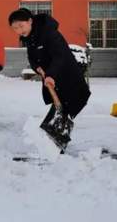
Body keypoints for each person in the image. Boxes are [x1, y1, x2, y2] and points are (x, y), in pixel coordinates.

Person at [8, 8, 91, 146]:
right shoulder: (30, 38)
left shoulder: (49, 33)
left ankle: (56, 141)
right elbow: (33, 58)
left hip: (66, 75)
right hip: (52, 77)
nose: (19, 30)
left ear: (30, 21)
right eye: (15, 28)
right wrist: (37, 68)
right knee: (61, 108)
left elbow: (59, 56)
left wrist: (51, 74)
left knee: (66, 105)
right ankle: (57, 141)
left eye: (21, 26)